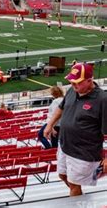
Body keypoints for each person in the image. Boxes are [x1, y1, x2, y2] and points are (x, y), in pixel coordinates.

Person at [43, 63, 107, 196]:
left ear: (89, 80)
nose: (73, 85)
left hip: (84, 151)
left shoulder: (102, 100)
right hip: (65, 145)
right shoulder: (73, 90)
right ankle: (78, 194)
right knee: (62, 175)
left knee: (73, 184)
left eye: (77, 82)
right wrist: (50, 124)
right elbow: (61, 107)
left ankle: (77, 199)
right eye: (71, 82)